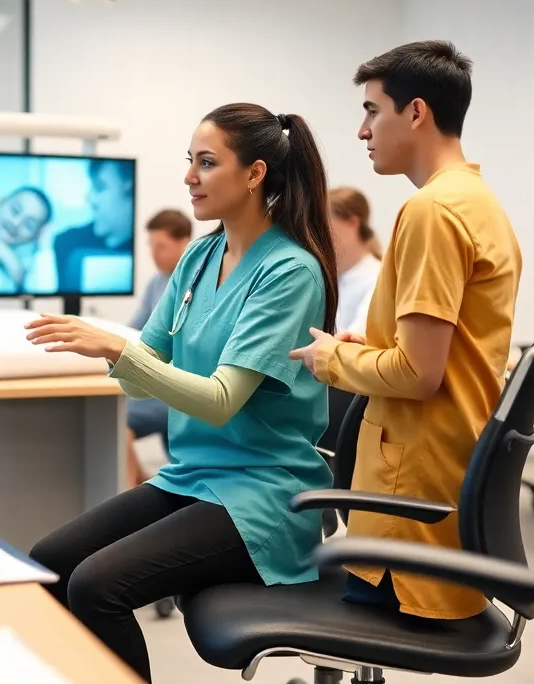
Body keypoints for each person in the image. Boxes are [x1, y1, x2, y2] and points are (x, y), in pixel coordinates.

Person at [22, 103, 339, 682]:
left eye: (207, 162)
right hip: (194, 476)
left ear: (254, 174)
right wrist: (112, 352)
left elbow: (219, 399)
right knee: (47, 565)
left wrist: (116, 349)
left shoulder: (291, 271)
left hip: (263, 494)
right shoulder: (199, 255)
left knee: (98, 586)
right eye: (189, 162)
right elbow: (150, 357)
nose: (189, 177)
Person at [294, 40, 522, 621]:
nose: (362, 130)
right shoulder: (477, 202)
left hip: (408, 517)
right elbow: (439, 350)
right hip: (440, 490)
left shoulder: (432, 212)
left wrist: (332, 361)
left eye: (372, 110)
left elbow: (419, 374)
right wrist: (362, 348)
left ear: (415, 112)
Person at [126, 209, 192, 487]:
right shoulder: (156, 282)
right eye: (151, 246)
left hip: (176, 386)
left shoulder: (193, 283)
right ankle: (136, 482)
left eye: (161, 246)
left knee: (119, 418)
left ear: (184, 242)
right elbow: (134, 330)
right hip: (154, 380)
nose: (154, 254)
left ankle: (125, 489)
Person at [53, 159, 135, 292]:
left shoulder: (144, 247)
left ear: (129, 187)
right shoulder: (67, 242)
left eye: (100, 187)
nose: (90, 198)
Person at [328, 186, 382, 335]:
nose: (319, 231)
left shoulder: (377, 278)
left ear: (353, 223)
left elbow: (356, 339)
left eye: (326, 222)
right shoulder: (332, 279)